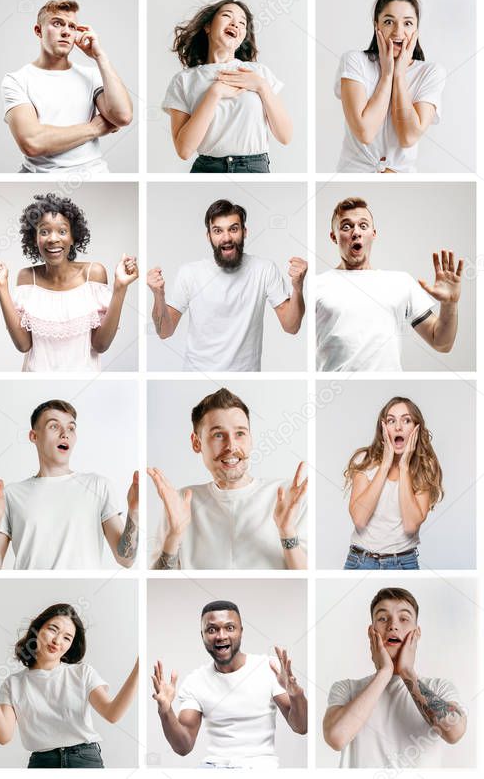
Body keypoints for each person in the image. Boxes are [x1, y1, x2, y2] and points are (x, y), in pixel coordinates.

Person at [148, 387, 307, 571]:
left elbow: (305, 581)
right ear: (196, 442)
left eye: (240, 433)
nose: (231, 445)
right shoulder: (180, 502)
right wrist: (174, 535)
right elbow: (163, 586)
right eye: (218, 435)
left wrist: (287, 532)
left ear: (250, 438)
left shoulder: (287, 498)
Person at [0, 398, 139, 570]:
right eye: (54, 426)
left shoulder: (98, 486)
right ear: (34, 436)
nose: (65, 433)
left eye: (71, 428)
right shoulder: (11, 494)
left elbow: (126, 559)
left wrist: (134, 512)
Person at [0, 193, 137, 372]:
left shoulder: (93, 274)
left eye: (62, 231)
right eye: (44, 231)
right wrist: (1, 287)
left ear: (73, 237)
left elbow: (101, 345)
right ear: (35, 239)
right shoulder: (27, 277)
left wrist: (120, 287)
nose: (53, 239)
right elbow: (23, 345)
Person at [147, 198, 306, 371]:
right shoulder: (190, 273)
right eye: (218, 231)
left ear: (244, 232)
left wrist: (298, 287)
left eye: (233, 229)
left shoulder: (264, 270)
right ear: (209, 236)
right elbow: (164, 331)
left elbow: (291, 326)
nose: (227, 237)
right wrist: (158, 295)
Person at [0, 603, 139, 767]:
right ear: (37, 629)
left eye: (67, 638)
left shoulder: (82, 673)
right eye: (53, 629)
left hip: (84, 760)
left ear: (70, 646)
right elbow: (3, 736)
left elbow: (112, 714)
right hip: (42, 763)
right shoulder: (14, 683)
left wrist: (138, 669)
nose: (57, 640)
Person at [152, 600, 306, 767]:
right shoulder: (194, 682)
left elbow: (301, 727)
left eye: (229, 628)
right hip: (213, 768)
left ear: (241, 632)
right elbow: (184, 746)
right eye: (212, 630)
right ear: (202, 635)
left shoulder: (270, 668)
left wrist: (295, 694)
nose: (221, 636)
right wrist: (166, 711)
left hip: (260, 767)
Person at [323, 587, 467, 767]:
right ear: (371, 632)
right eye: (383, 618)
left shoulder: (439, 688)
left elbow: (454, 732)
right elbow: (336, 737)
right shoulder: (347, 688)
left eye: (404, 618)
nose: (393, 625)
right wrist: (384, 673)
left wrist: (407, 672)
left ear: (417, 632)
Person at [315, 197, 462, 371]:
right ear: (334, 236)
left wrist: (449, 303)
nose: (356, 232)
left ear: (373, 233)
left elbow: (441, 343)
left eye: (363, 225)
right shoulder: (317, 284)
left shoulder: (400, 282)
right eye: (346, 226)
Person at [2, 0, 133, 174]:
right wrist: (95, 127)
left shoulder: (92, 75)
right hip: (38, 177)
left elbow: (122, 116)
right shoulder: (16, 80)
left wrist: (100, 57)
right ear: (38, 31)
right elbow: (32, 143)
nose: (66, 32)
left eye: (72, 27)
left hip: (93, 175)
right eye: (57, 24)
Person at [163, 0, 291, 172]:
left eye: (242, 23)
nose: (235, 24)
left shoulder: (259, 73)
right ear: (208, 26)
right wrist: (214, 93)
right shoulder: (184, 80)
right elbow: (184, 150)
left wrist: (261, 86)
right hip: (207, 169)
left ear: (243, 36)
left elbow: (285, 136)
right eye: (226, 15)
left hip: (254, 168)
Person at [335, 0, 444, 173]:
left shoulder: (431, 72)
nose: (398, 31)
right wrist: (387, 75)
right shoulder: (354, 61)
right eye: (388, 21)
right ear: (376, 25)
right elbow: (365, 132)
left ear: (416, 29)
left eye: (407, 23)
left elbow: (408, 137)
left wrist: (399, 75)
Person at [343, 397, 443, 570]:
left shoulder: (425, 468)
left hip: (404, 562)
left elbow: (410, 526)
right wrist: (385, 465)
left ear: (416, 428)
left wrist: (404, 467)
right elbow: (359, 519)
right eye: (391, 421)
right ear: (383, 428)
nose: (398, 427)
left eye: (406, 420)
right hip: (361, 561)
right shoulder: (365, 460)